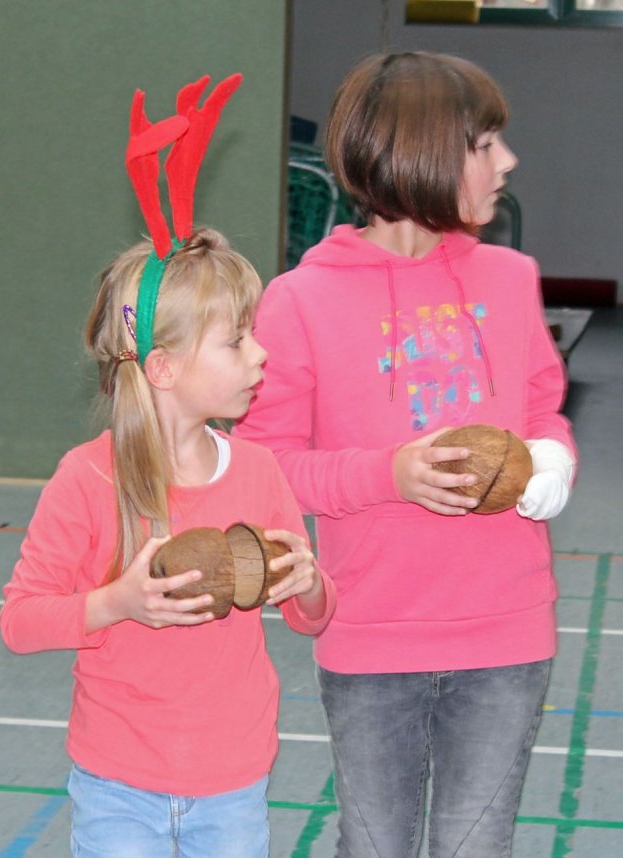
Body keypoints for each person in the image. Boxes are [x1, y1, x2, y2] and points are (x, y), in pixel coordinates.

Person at [235, 52, 576, 858]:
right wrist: (387, 473)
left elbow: (542, 413)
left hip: (506, 635)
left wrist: (549, 463)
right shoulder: (299, 301)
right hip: (371, 634)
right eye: (484, 143)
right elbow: (265, 467)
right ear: (421, 152)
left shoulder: (509, 276)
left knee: (473, 846)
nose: (508, 162)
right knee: (376, 845)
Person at [0, 227, 336, 858]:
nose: (260, 355)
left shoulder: (260, 472)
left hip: (234, 784)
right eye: (237, 341)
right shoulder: (87, 478)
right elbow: (19, 622)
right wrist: (116, 603)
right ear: (163, 367)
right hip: (116, 788)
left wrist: (310, 583)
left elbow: (311, 618)